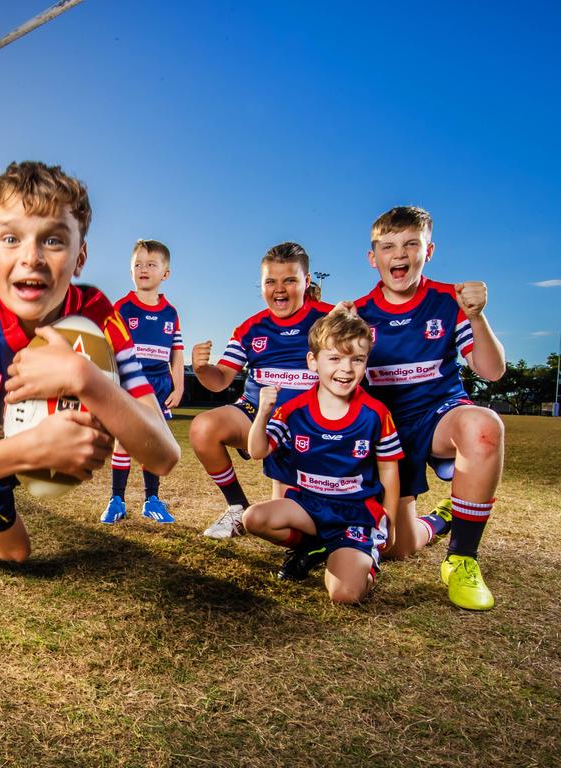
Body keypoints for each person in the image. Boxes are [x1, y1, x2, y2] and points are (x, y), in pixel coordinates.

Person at [0, 161, 180, 564]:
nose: (31, 257)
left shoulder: (98, 314)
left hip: (22, 448)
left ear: (80, 256)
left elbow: (164, 455)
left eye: (53, 240)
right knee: (17, 552)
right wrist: (32, 448)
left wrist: (83, 376)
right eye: (11, 238)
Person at [349, 206, 505, 610]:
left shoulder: (449, 301)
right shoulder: (357, 313)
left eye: (410, 244)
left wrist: (478, 316)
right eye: (388, 246)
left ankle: (463, 558)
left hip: (438, 415)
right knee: (401, 549)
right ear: (373, 257)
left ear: (428, 251)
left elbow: (491, 371)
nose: (399, 255)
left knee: (483, 426)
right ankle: (442, 517)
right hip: (387, 431)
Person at [242, 310, 402, 604]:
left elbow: (389, 469)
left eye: (357, 359)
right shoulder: (294, 410)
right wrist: (263, 413)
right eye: (335, 358)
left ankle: (360, 557)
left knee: (345, 595)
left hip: (354, 513)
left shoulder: (376, 414)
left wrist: (389, 519)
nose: (346, 368)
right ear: (313, 362)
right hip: (309, 508)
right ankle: (314, 546)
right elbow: (257, 451)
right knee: (254, 518)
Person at [189, 243, 332, 539]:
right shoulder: (250, 329)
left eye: (289, 280)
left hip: (313, 422)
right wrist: (202, 370)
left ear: (306, 282)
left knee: (292, 521)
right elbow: (221, 380)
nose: (279, 289)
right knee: (203, 428)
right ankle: (237, 508)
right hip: (259, 415)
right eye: (270, 281)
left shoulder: (329, 320)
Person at [101, 239, 185, 524]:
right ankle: (117, 500)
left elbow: (177, 353)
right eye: (137, 264)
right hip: (130, 383)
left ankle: (152, 500)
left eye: (151, 264)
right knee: (124, 441)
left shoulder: (171, 313)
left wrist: (179, 385)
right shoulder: (123, 307)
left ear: (165, 273)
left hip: (160, 385)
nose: (143, 269)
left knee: (152, 443)